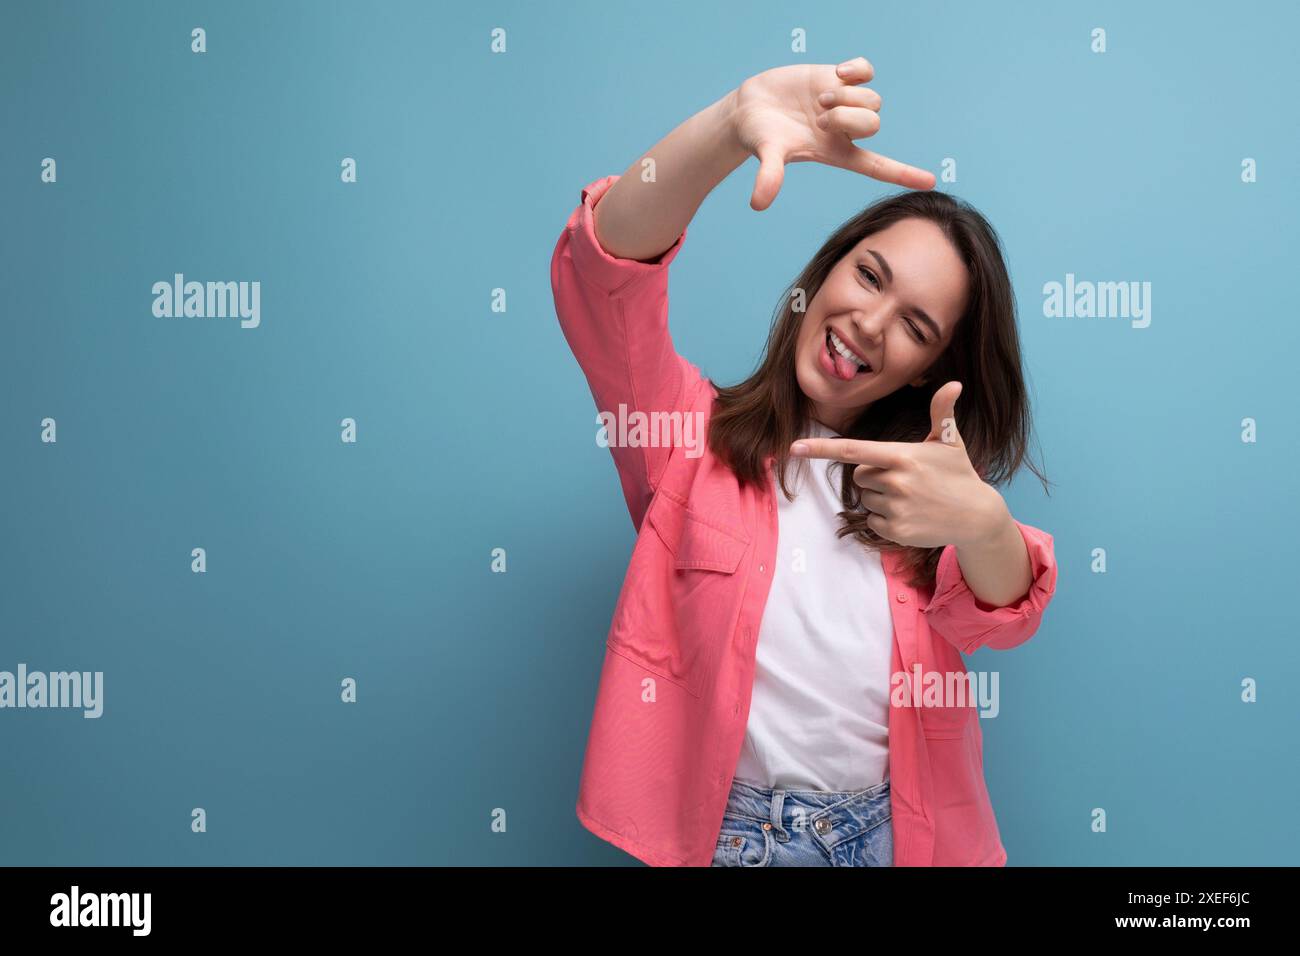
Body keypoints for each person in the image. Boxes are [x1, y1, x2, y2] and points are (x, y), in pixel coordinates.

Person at [550, 56, 1058, 867]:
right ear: (826, 271)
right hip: (727, 840)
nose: (869, 321)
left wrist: (985, 521)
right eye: (868, 275)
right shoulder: (682, 436)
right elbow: (603, 270)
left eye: (916, 326)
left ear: (928, 367)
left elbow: (1002, 610)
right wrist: (728, 124)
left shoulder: (927, 492)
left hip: (890, 839)